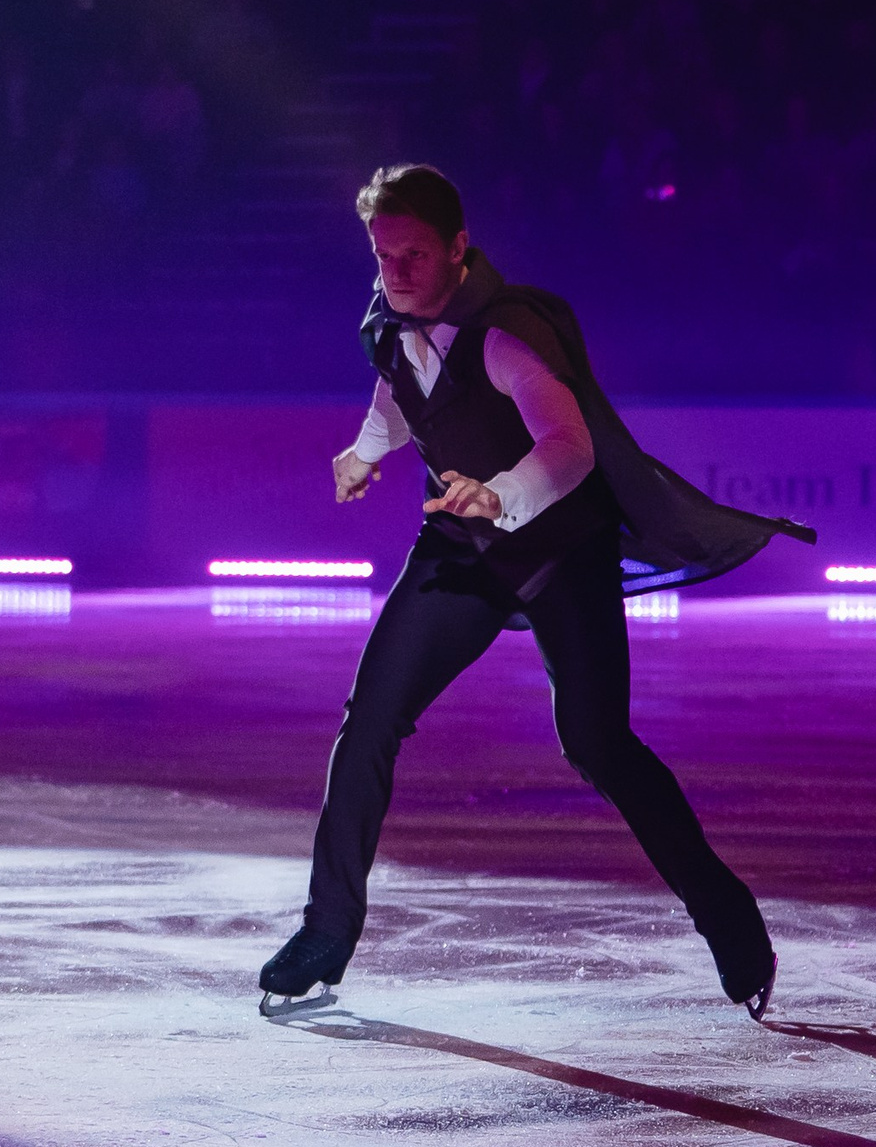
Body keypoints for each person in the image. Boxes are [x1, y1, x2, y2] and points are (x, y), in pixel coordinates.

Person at [259, 164, 812, 1023]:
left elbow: (570, 444)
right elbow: (402, 392)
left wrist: (504, 493)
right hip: (462, 547)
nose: (394, 273)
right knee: (369, 718)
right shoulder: (391, 319)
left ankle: (729, 920)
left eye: (411, 255)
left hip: (560, 547)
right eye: (381, 255)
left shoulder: (507, 334)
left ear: (458, 247)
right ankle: (325, 931)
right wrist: (366, 451)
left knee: (595, 740)